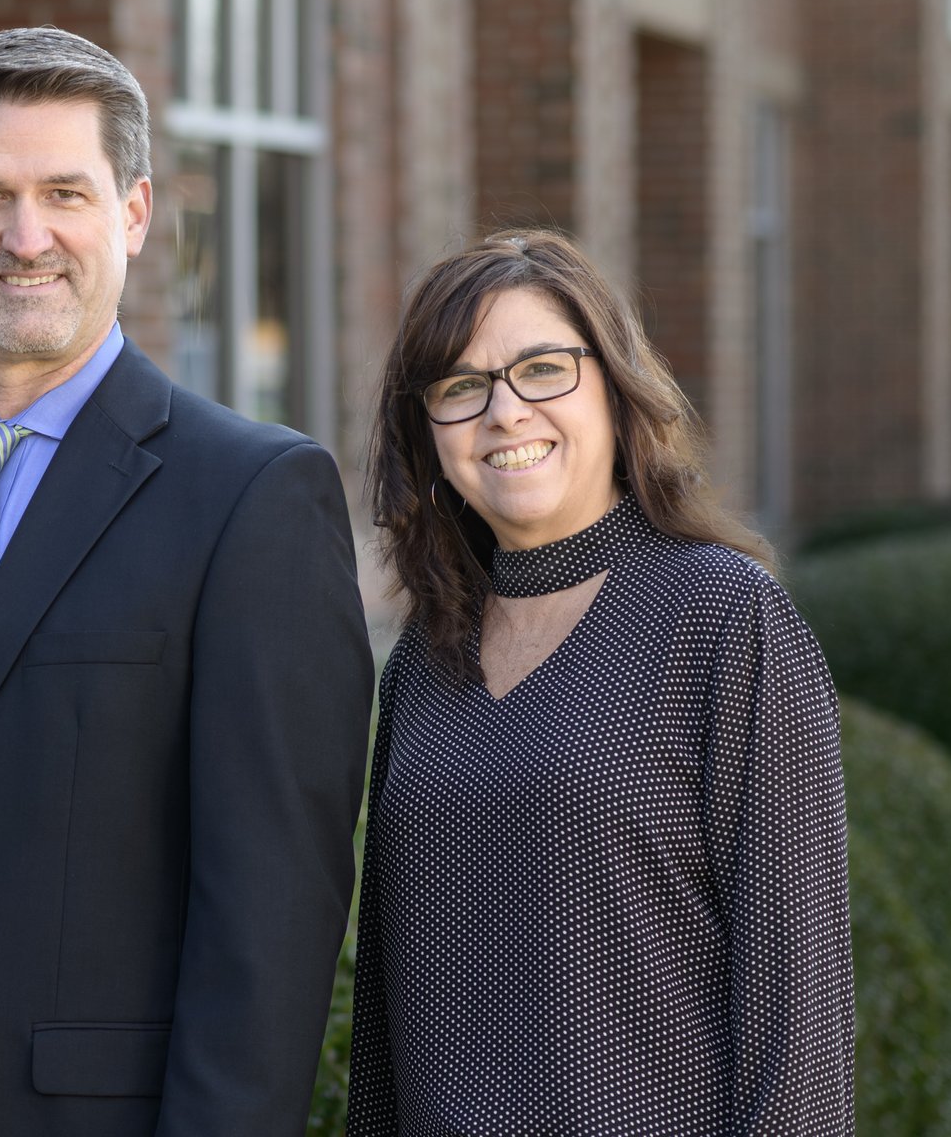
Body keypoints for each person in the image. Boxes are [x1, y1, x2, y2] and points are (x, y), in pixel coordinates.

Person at [0, 26, 375, 1137]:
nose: (26, 237)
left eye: (65, 191)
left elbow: (272, 916)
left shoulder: (251, 498)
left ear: (134, 212)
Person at [347, 229, 853, 1134]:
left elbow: (799, 1011)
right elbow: (385, 1014)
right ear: (427, 434)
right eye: (461, 388)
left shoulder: (722, 619)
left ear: (617, 390)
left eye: (543, 369)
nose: (504, 412)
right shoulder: (426, 658)